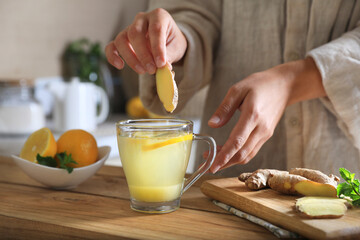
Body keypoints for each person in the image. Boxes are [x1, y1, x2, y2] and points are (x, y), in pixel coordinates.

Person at [106, 0, 360, 176]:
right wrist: (178, 41)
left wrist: (291, 82)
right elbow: (196, 11)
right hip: (227, 184)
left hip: (340, 173)